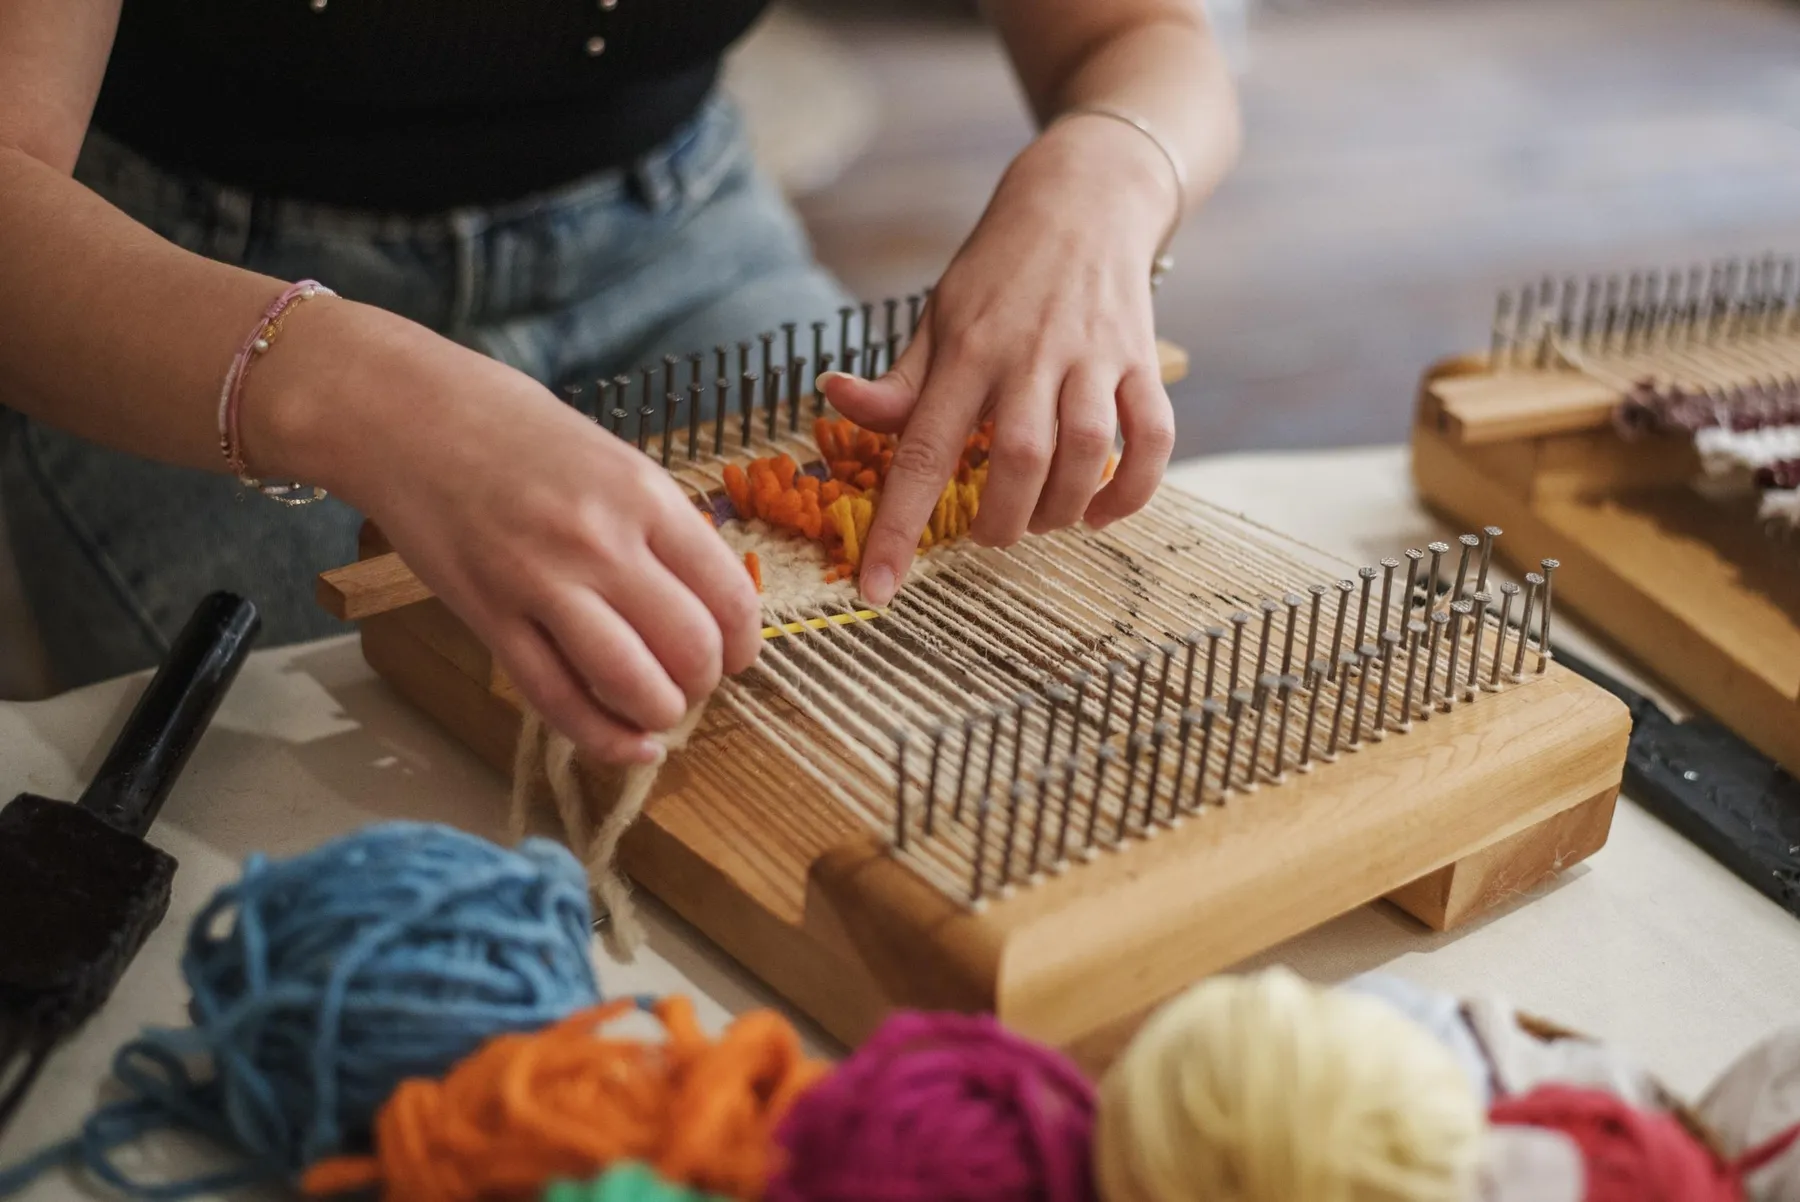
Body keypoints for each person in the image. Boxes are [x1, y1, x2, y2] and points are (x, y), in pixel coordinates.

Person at [0, 1, 1239, 766]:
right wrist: (363, 391)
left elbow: (1140, 34)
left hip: (676, 227)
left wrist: (1105, 176)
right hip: (183, 276)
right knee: (405, 820)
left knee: (941, 736)